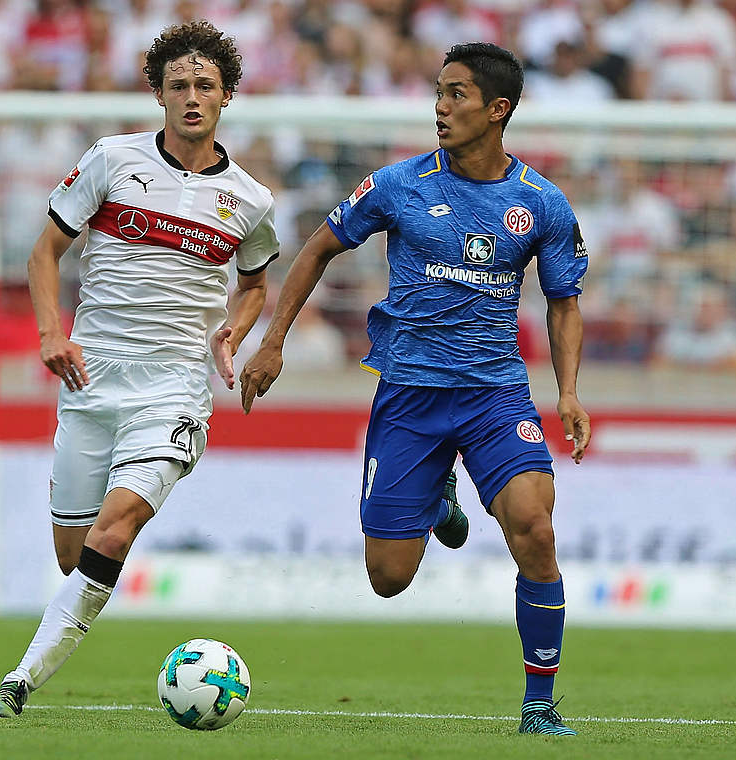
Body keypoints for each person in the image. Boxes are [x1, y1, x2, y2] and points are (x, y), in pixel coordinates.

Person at [239, 43, 591, 736]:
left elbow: (563, 302)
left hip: (495, 396)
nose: (440, 107)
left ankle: (540, 706)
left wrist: (569, 392)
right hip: (409, 394)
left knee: (536, 528)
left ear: (498, 111)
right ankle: (437, 496)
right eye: (438, 92)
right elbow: (317, 248)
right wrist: (273, 340)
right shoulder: (399, 185)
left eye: (456, 94)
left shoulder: (540, 204)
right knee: (389, 577)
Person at [0, 20, 279, 719]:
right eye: (179, 85)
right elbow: (43, 253)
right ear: (159, 94)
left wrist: (237, 324)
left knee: (113, 533)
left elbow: (258, 280)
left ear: (227, 94)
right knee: (74, 555)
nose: (192, 96)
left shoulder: (251, 200)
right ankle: (43, 652)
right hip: (91, 380)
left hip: (173, 386)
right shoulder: (112, 160)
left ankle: (17, 683)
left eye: (206, 84)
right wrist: (53, 333)